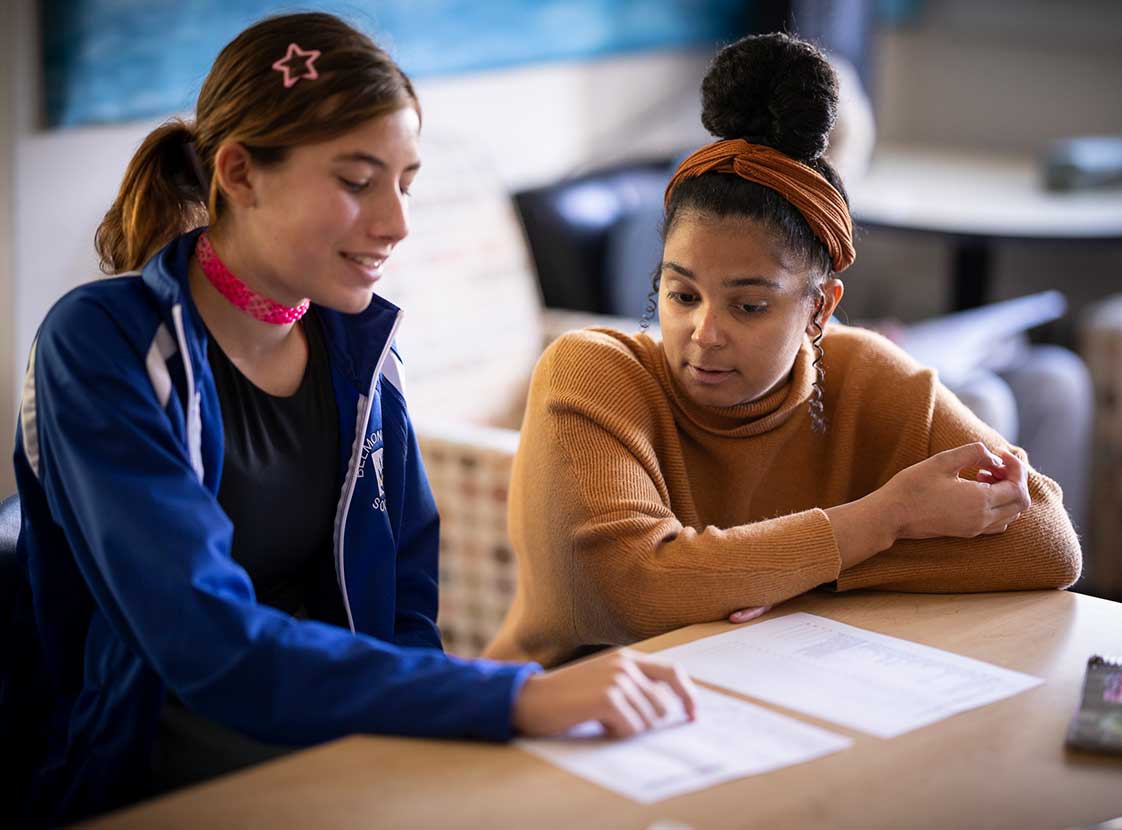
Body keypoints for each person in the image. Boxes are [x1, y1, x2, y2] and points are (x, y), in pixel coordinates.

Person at [4, 13, 695, 826]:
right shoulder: (101, 344)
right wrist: (505, 697)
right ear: (240, 173)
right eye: (357, 181)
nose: (396, 224)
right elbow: (205, 643)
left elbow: (405, 606)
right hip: (149, 752)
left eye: (405, 182)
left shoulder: (360, 349)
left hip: (337, 727)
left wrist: (447, 740)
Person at [485, 33, 1082, 668]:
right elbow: (629, 593)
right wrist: (886, 518)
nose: (705, 332)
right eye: (682, 294)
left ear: (819, 308)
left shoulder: (862, 372)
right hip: (546, 722)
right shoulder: (592, 372)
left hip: (758, 701)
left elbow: (1046, 543)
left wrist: (763, 570)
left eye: (748, 306)